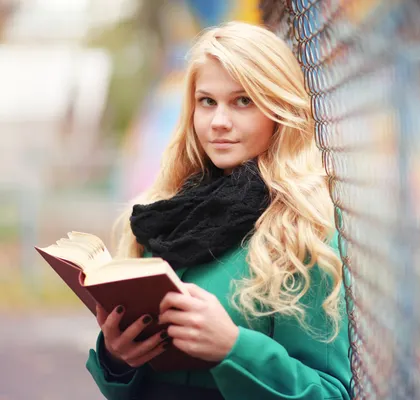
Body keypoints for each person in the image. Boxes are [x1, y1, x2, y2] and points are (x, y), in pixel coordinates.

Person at [85, 21, 352, 400]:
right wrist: (119, 358)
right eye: (207, 101)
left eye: (243, 101)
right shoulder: (168, 212)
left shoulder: (303, 227)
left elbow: (329, 393)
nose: (219, 122)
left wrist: (233, 348)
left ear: (279, 109)